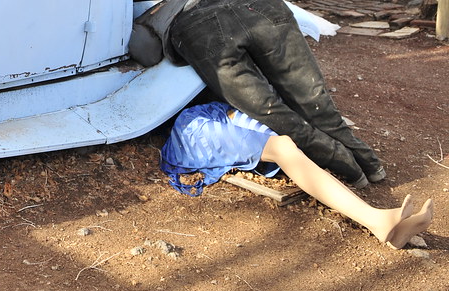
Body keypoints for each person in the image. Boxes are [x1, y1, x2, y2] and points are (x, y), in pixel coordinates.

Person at [131, 0, 384, 188]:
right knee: (313, 98)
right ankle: (370, 165)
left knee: (270, 111)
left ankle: (346, 167)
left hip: (197, 25)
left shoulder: (145, 14)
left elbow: (145, 50)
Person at [161, 102, 434, 249]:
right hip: (202, 122)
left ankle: (389, 229)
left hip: (231, 117)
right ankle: (375, 219)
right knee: (284, 148)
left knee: (288, 148)